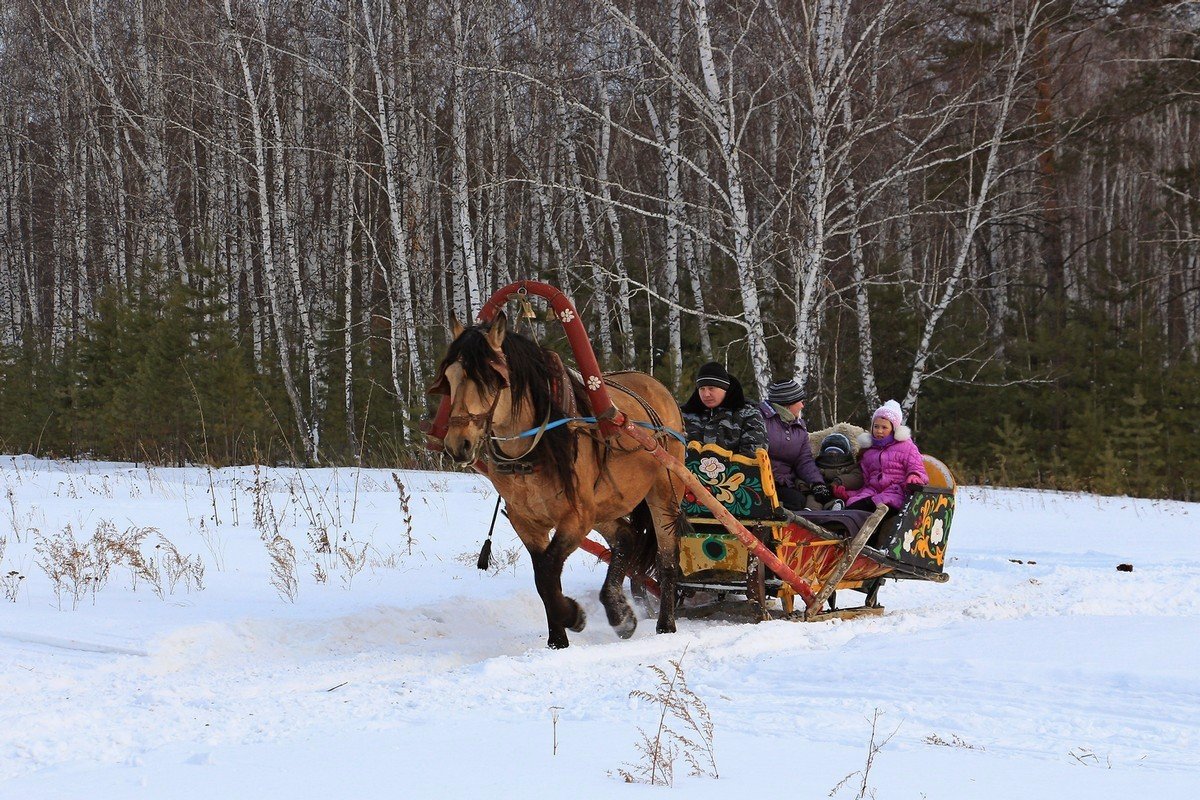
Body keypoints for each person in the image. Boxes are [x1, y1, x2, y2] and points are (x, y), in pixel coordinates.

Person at [845, 400, 929, 548]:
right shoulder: (869, 452)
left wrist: (914, 476)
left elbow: (917, 468)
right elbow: (866, 480)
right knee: (852, 507)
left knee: (870, 508)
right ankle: (850, 543)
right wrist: (851, 494)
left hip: (895, 492)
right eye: (876, 427)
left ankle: (867, 548)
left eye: (884, 427)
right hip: (873, 492)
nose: (879, 431)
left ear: (894, 429)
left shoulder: (907, 447)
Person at [758, 378, 831, 511]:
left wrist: (817, 483)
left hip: (785, 483)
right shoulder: (759, 419)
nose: (802, 406)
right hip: (759, 482)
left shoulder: (798, 426)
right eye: (800, 402)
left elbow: (804, 460)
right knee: (795, 503)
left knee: (804, 500)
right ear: (788, 403)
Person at [680, 361, 767, 458]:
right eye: (702, 389)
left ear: (725, 389)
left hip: (736, 472)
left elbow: (754, 454)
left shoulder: (748, 415)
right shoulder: (683, 415)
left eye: (711, 388)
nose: (706, 394)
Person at [814, 432, 863, 511]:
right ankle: (809, 512)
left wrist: (839, 481)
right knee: (812, 500)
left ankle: (835, 507)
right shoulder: (816, 465)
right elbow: (806, 474)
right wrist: (803, 485)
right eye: (829, 452)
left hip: (836, 491)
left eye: (837, 452)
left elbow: (857, 477)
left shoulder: (850, 466)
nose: (833, 454)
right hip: (817, 491)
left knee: (836, 498)